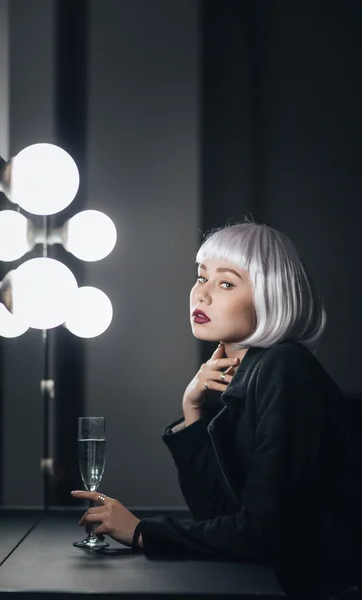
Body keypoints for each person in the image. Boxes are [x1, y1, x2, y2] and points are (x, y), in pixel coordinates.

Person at [72, 220, 361, 599]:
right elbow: (217, 517)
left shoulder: (285, 368)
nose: (201, 295)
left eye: (225, 283)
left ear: (269, 295)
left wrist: (142, 531)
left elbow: (263, 533)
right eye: (201, 277)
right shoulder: (254, 371)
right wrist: (191, 408)